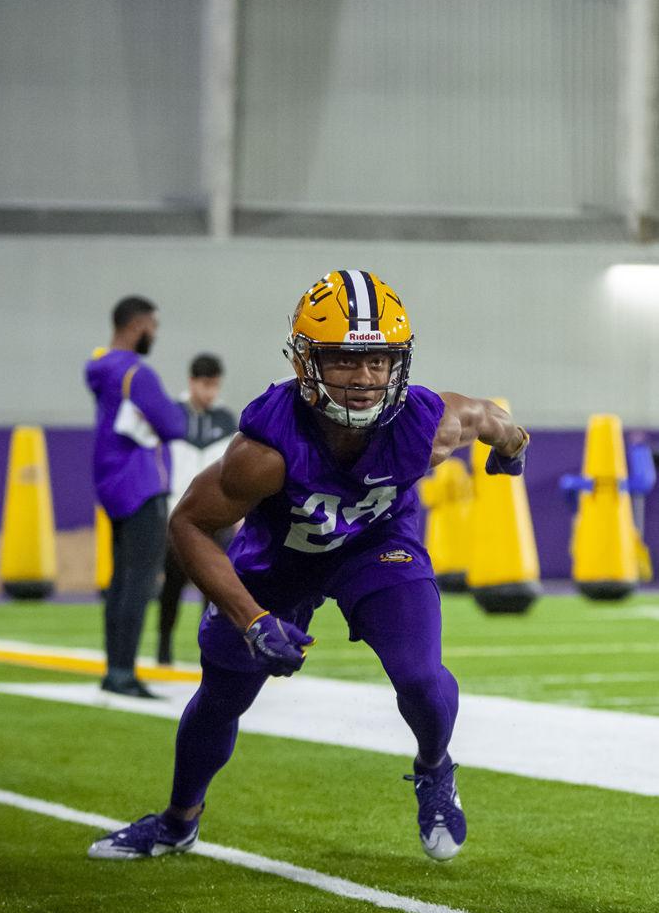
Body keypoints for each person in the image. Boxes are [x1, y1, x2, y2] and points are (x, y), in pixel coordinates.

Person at [88, 270, 529, 861]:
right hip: (280, 560)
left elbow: (500, 425)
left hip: (377, 548)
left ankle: (435, 767)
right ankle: (177, 820)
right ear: (306, 362)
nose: (366, 378)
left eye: (379, 360)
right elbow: (188, 525)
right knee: (221, 697)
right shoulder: (264, 451)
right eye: (345, 360)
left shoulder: (429, 425)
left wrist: (512, 453)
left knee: (421, 675)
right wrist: (250, 618)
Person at [85, 295, 204, 699]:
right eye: (152, 327)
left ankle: (113, 668)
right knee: (140, 581)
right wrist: (175, 410)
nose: (154, 335)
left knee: (120, 581)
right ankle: (123, 674)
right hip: (142, 484)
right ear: (137, 326)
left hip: (110, 482)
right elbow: (173, 425)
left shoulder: (101, 369)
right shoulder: (138, 373)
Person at [157, 353, 237, 665]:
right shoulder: (172, 415)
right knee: (173, 584)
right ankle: (163, 646)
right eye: (205, 385)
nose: (211, 393)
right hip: (176, 514)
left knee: (215, 585)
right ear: (192, 382)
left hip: (216, 516)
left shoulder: (225, 420)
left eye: (215, 386)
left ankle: (210, 650)